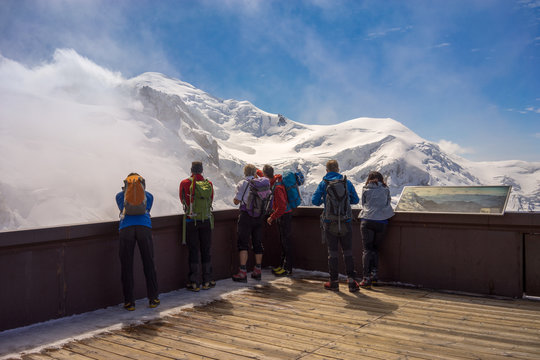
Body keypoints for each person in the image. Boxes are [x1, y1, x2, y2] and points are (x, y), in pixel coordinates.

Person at [311, 160, 360, 293]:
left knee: (332, 253)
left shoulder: (323, 183)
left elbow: (314, 201)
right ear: (338, 169)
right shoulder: (346, 182)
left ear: (326, 171)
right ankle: (351, 282)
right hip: (346, 222)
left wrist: (325, 200)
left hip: (329, 223)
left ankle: (334, 282)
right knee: (348, 252)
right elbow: (355, 200)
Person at [115, 173, 159, 311]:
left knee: (127, 265)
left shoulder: (119, 196)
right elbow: (147, 209)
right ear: (142, 184)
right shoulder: (149, 196)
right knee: (149, 263)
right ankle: (153, 298)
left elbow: (122, 209)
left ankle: (129, 302)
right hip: (144, 228)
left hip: (126, 229)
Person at [179, 161, 215, 292]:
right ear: (202, 170)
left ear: (191, 170)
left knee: (193, 250)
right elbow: (211, 199)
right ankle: (208, 280)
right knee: (206, 249)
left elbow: (182, 199)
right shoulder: (208, 184)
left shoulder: (184, 183)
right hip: (206, 220)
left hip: (191, 221)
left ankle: (194, 282)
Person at [358, 171, 394, 288]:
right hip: (382, 221)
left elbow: (363, 204)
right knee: (375, 249)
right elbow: (387, 203)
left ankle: (366, 278)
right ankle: (374, 277)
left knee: (367, 250)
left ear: (369, 179)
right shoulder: (385, 189)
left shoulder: (365, 189)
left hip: (367, 220)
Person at [232, 164, 267, 282]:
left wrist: (236, 198)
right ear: (255, 173)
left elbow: (236, 201)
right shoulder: (260, 184)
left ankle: (242, 273)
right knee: (257, 243)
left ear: (245, 173)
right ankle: (257, 271)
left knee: (243, 244)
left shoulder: (243, 183)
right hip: (258, 216)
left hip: (246, 216)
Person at [259, 165, 294, 277]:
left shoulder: (277, 188)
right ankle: (283, 266)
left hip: (284, 216)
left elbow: (282, 207)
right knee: (283, 241)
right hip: (283, 216)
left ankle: (287, 268)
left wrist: (272, 217)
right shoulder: (275, 181)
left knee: (286, 242)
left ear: (266, 175)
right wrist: (257, 171)